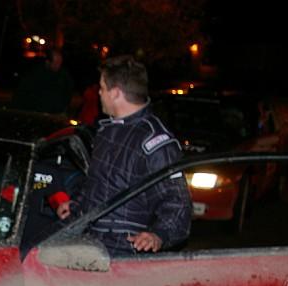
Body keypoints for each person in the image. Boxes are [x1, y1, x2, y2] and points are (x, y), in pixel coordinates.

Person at [56, 55, 191, 256]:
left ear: (116, 93)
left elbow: (177, 203)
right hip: (90, 245)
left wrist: (158, 235)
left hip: (123, 255)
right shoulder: (107, 132)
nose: (99, 93)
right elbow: (100, 186)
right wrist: (75, 207)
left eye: (102, 88)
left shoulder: (154, 143)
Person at [11, 49, 75, 115]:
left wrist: (63, 108)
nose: (58, 66)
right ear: (47, 62)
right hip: (37, 114)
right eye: (55, 63)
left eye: (60, 63)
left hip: (56, 115)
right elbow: (21, 94)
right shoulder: (35, 74)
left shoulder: (64, 76)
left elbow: (68, 92)